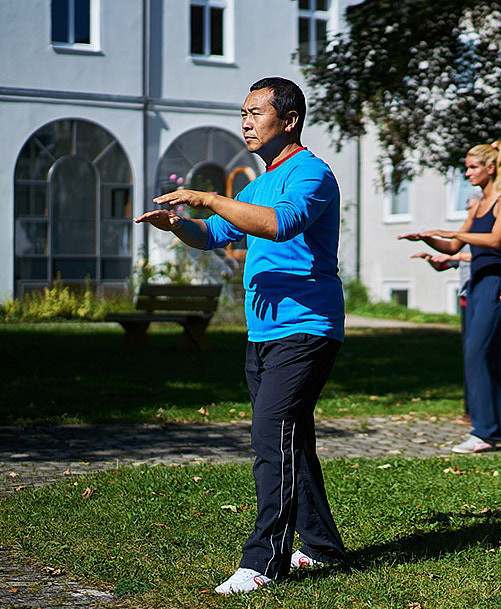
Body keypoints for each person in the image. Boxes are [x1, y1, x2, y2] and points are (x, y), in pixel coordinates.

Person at [135, 77, 347, 594]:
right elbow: (212, 236)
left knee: (271, 438)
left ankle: (263, 561)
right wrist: (177, 225)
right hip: (262, 333)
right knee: (289, 438)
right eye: (243, 112)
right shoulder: (256, 184)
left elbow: (281, 225)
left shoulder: (311, 174)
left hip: (306, 328)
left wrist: (207, 195)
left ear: (289, 119)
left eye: (256, 112)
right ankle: (320, 547)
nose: (246, 121)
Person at [399, 141, 501, 454]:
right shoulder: (479, 203)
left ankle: (484, 432)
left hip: (497, 283)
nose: (467, 173)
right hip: (478, 283)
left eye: (472, 167)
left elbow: (495, 239)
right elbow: (454, 249)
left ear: (490, 168)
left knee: (477, 353)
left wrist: (452, 232)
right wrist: (431, 238)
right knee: (483, 355)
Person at [412, 194, 478, 426]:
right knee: (469, 354)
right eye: (467, 208)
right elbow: (447, 260)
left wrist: (456, 254)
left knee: (478, 355)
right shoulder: (467, 235)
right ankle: (472, 408)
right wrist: (429, 254)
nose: (469, 212)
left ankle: (479, 412)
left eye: (472, 207)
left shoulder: (485, 234)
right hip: (466, 296)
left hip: (482, 295)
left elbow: (483, 254)